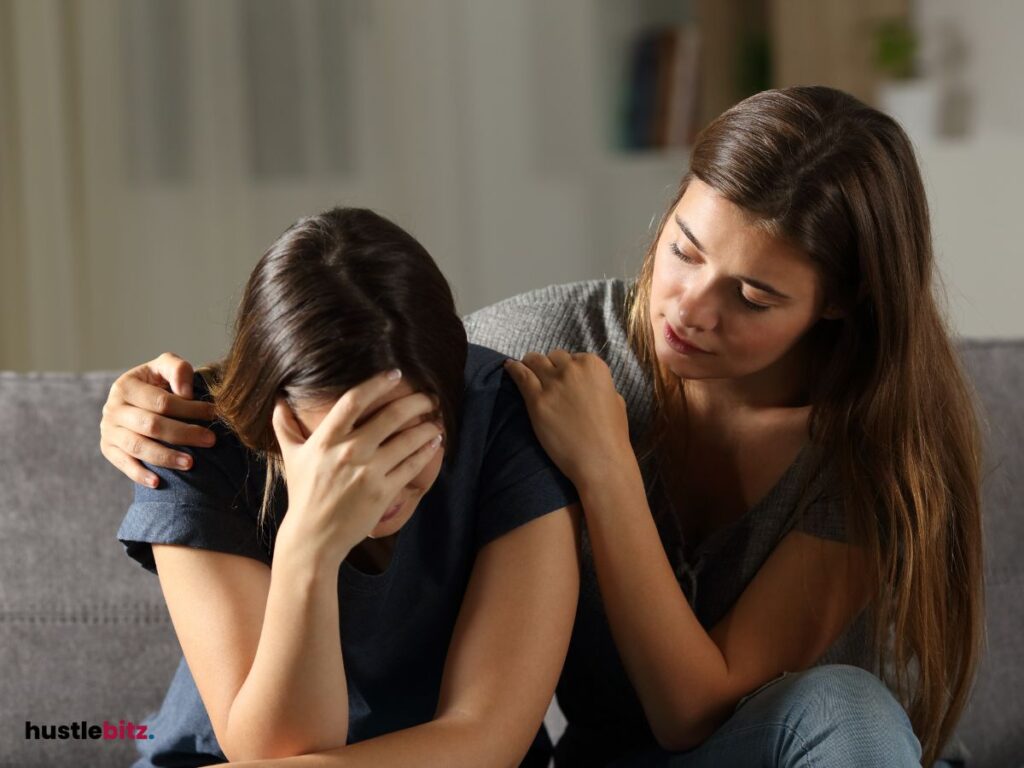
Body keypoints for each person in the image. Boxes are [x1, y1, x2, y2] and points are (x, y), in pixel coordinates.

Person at [101, 86, 983, 767]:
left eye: (753, 296)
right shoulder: (535, 351)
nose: (690, 308)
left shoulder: (884, 452)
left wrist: (604, 469)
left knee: (849, 707)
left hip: (762, 751)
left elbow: (693, 712)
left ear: (841, 305)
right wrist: (138, 404)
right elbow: (377, 346)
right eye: (683, 247)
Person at [106, 206, 581, 767]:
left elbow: (486, 739)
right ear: (274, 414)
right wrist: (310, 544)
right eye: (340, 446)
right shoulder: (191, 442)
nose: (376, 483)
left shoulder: (504, 417)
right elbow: (274, 750)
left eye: (404, 438)